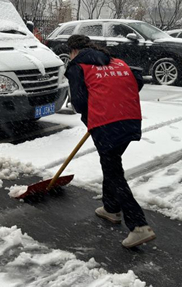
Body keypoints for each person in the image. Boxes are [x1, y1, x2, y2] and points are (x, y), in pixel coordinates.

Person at [64, 34, 156, 248]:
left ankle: (138, 226)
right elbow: (137, 80)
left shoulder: (78, 66)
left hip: (107, 122)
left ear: (73, 51)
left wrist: (96, 112)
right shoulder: (116, 61)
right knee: (111, 160)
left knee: (113, 171)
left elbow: (78, 102)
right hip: (130, 118)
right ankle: (111, 208)